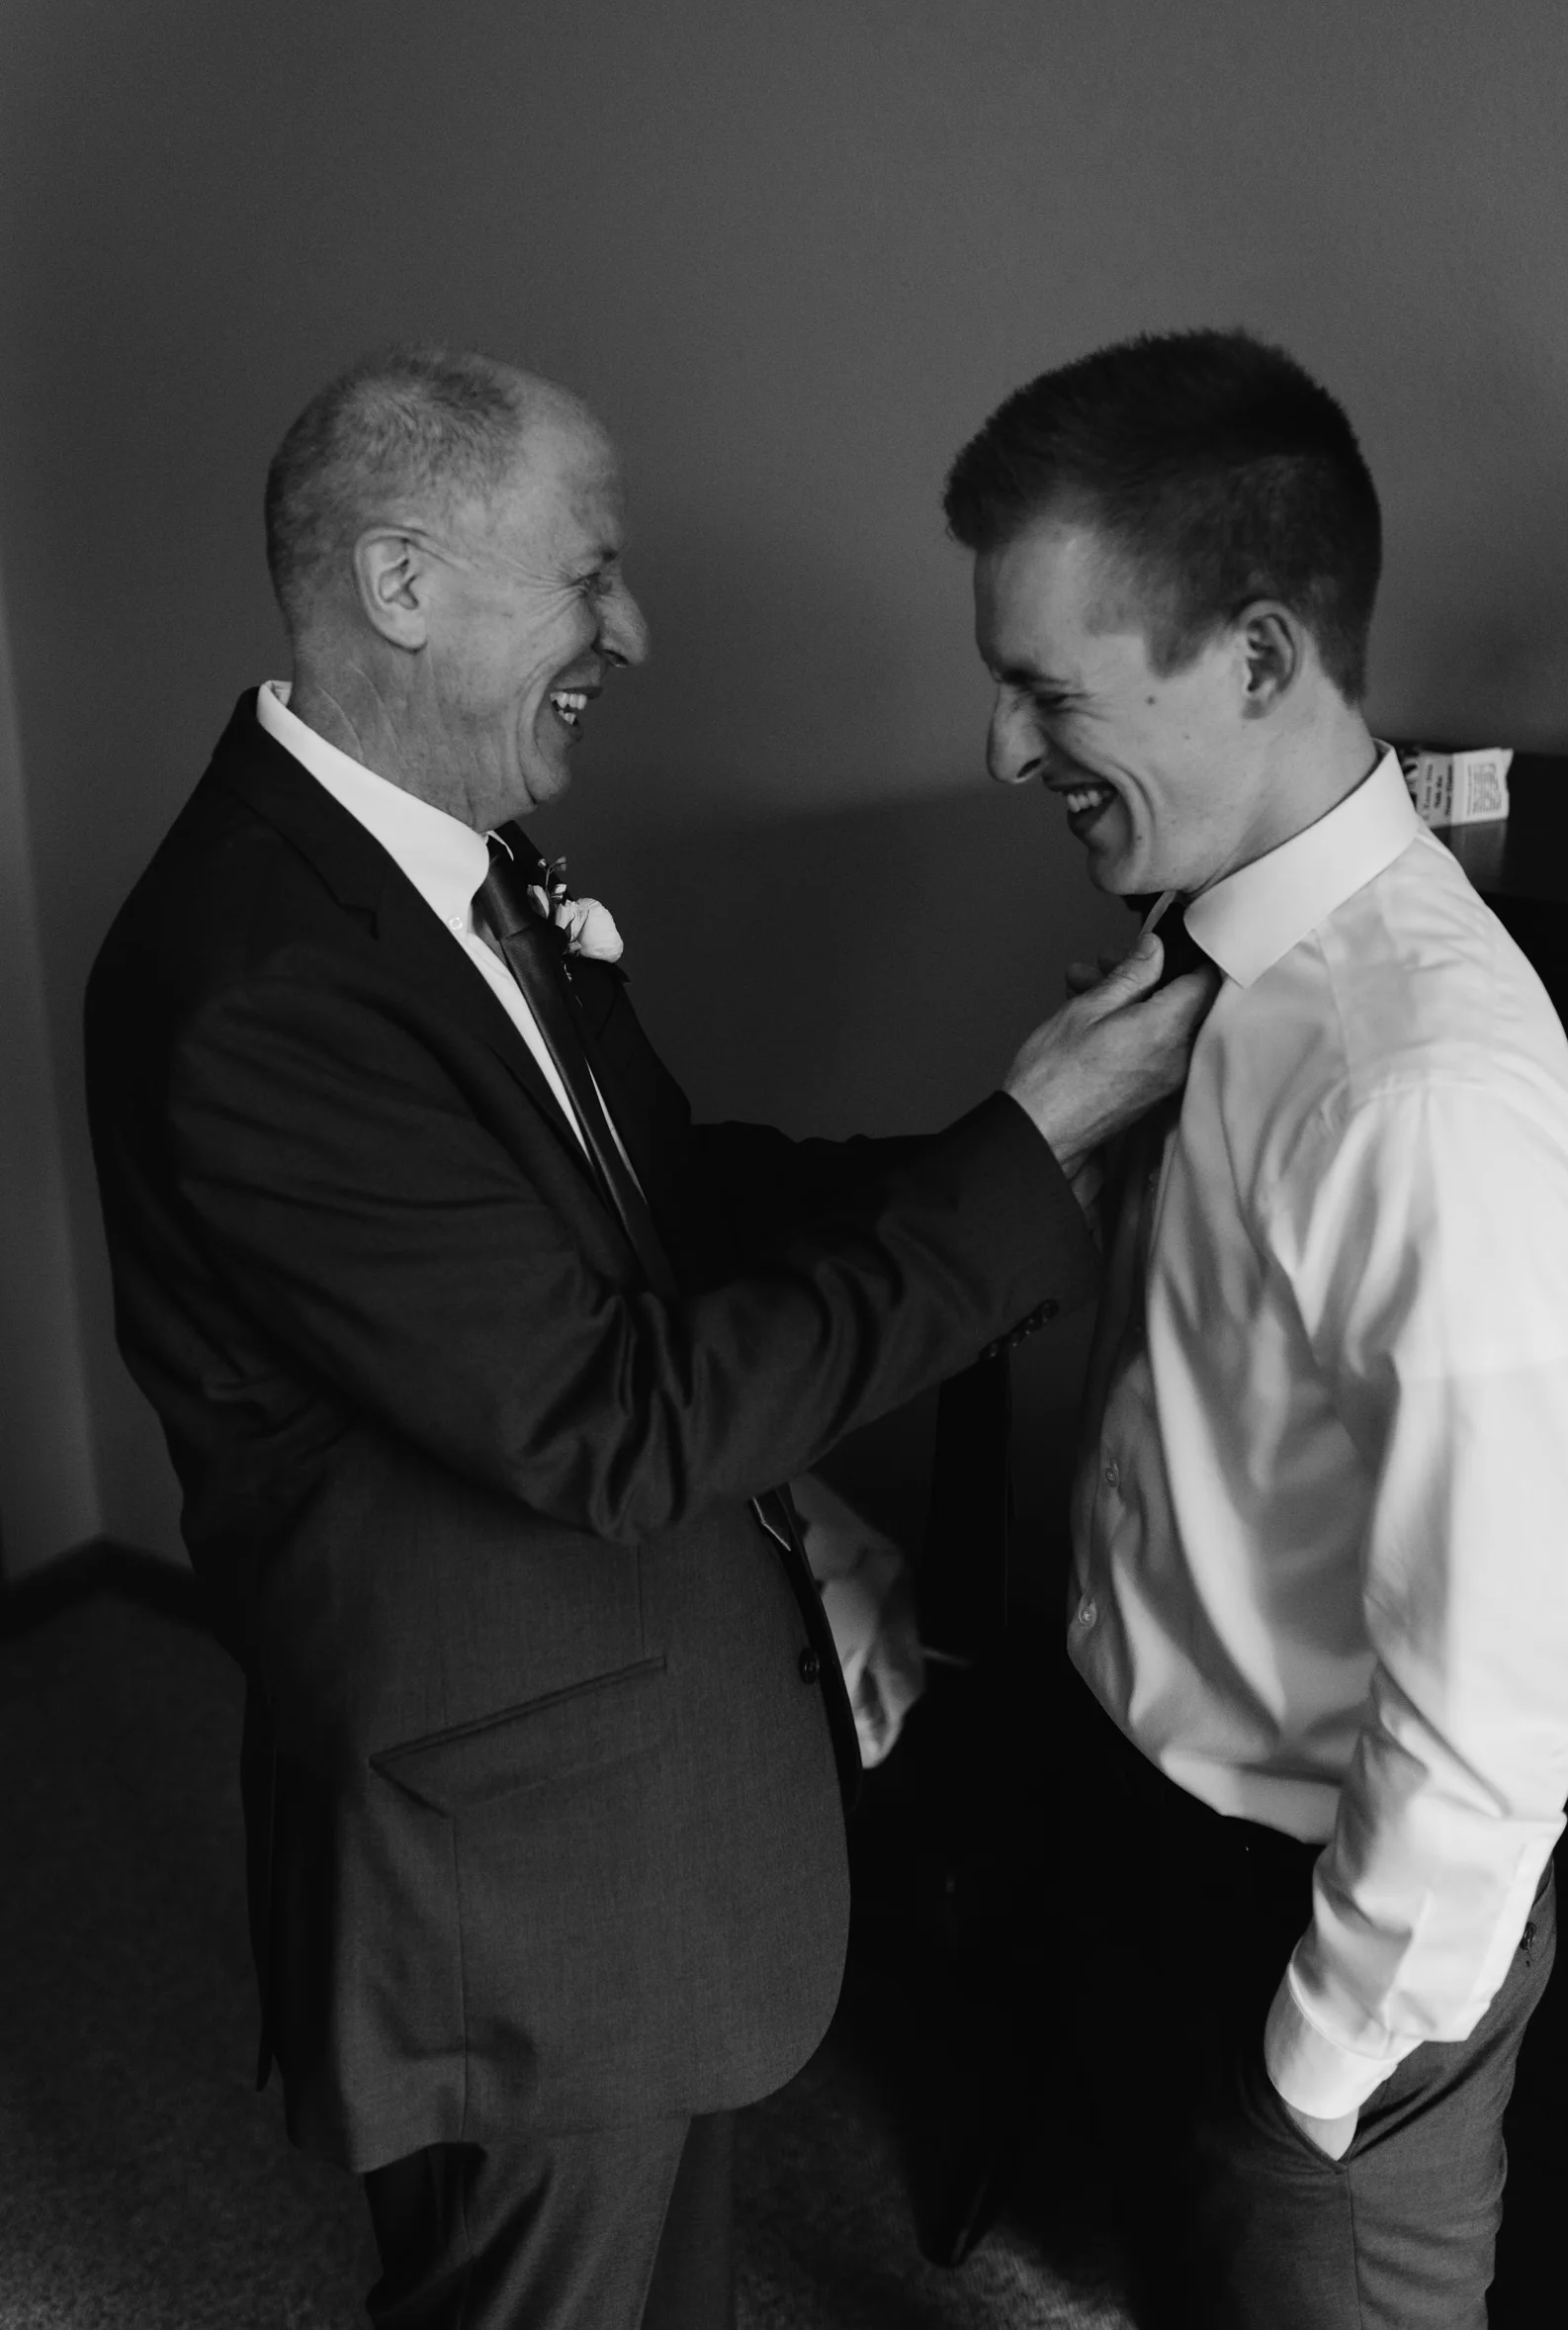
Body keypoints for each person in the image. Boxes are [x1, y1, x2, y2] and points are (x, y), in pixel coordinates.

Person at [82, 342, 1211, 2330]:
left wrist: (998, 1157)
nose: (635, 624)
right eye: (592, 569)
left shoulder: (448, 866)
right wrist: (1031, 1160)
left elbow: (658, 1214)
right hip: (506, 1884)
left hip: (630, 1824)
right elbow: (609, 1416)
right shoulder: (258, 986)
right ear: (405, 580)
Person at [943, 327, 1568, 2328]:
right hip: (1157, 1828)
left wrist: (1306, 2081)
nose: (1004, 751)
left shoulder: (1425, 1099)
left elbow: (1495, 1729)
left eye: (1045, 688)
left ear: (1256, 659)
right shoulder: (1212, 975)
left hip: (1326, 1937)